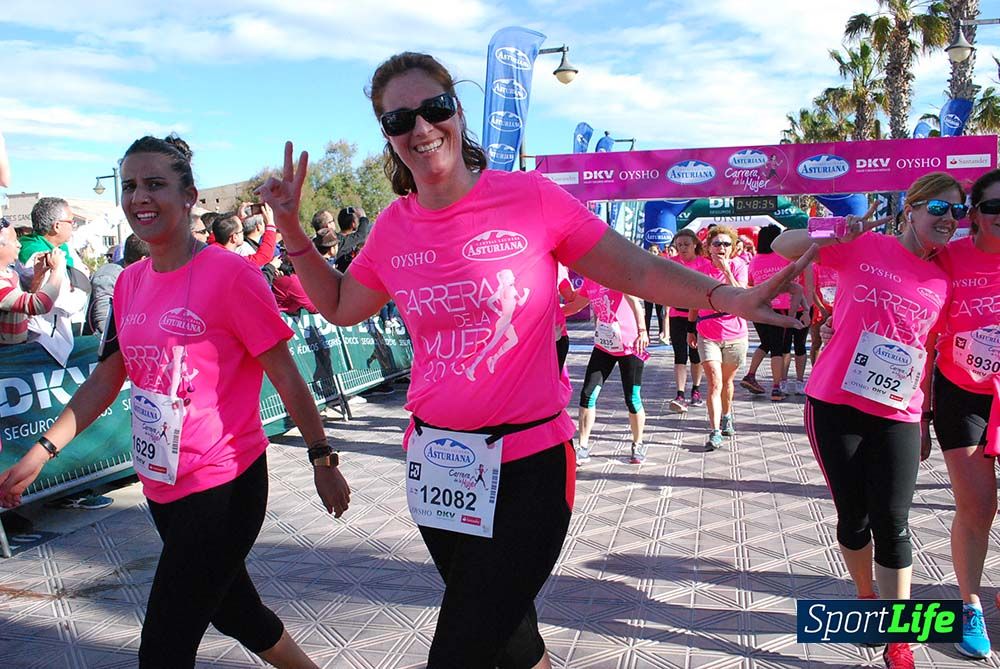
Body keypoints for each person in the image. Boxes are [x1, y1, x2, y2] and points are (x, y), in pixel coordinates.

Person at [255, 52, 811, 669]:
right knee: (512, 637)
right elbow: (336, 304)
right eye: (399, 119)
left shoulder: (531, 200)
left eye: (434, 108)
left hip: (530, 466)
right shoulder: (394, 227)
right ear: (387, 136)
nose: (421, 128)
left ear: (458, 111)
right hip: (439, 465)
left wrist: (728, 296)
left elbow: (637, 268)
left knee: (467, 639)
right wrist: (291, 230)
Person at [0, 134, 351, 669]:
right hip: (161, 484)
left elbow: (286, 375)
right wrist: (43, 451)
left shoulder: (233, 275)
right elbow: (108, 376)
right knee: (237, 612)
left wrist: (322, 457)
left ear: (189, 196)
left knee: (165, 646)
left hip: (225, 485)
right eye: (132, 185)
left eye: (156, 184)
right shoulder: (130, 282)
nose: (140, 196)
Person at [773, 173, 963, 669]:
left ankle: (897, 635)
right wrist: (838, 230)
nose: (948, 220)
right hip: (835, 405)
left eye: (957, 213)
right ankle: (866, 600)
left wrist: (923, 416)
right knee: (854, 518)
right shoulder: (863, 245)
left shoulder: (943, 278)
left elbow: (927, 348)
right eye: (939, 209)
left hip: (897, 412)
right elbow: (782, 242)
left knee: (894, 522)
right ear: (911, 209)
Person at [929, 168, 1000, 659]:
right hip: (963, 392)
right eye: (994, 207)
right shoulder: (947, 259)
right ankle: (970, 605)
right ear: (973, 213)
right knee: (978, 505)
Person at [565, 279, 649, 464]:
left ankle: (638, 443)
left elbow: (635, 303)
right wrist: (549, 314)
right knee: (587, 394)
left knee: (632, 398)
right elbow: (575, 306)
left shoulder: (616, 274)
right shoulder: (589, 281)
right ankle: (583, 447)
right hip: (604, 347)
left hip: (630, 346)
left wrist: (642, 331)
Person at [687, 225, 750, 452]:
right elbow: (695, 300)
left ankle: (727, 415)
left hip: (735, 333)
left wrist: (727, 271)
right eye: (717, 243)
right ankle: (714, 432)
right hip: (707, 332)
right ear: (708, 247)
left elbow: (742, 296)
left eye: (726, 244)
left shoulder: (740, 265)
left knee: (727, 382)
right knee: (714, 382)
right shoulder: (701, 270)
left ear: (733, 248)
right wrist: (690, 328)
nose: (722, 247)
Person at [742, 225, 798, 401]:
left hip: (758, 307)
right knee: (777, 348)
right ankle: (776, 387)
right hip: (779, 308)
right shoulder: (785, 258)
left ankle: (750, 375)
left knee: (765, 342)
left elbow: (750, 282)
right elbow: (794, 282)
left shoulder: (754, 260)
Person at [666, 229, 704, 412]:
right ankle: (680, 393)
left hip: (698, 317)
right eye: (679, 245)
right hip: (677, 315)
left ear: (695, 244)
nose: (682, 248)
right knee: (680, 354)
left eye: (686, 244)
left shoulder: (703, 263)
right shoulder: (671, 264)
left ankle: (696, 390)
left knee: (696, 355)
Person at [86, 233, 150, 335]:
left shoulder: (143, 276)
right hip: (101, 343)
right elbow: (104, 323)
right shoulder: (109, 275)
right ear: (144, 259)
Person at [642, 244, 666, 343]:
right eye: (651, 251)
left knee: (660, 313)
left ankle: (661, 333)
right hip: (647, 292)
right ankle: (646, 333)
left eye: (655, 251)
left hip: (658, 292)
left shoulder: (661, 264)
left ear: (658, 253)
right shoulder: (644, 264)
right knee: (648, 314)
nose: (653, 253)